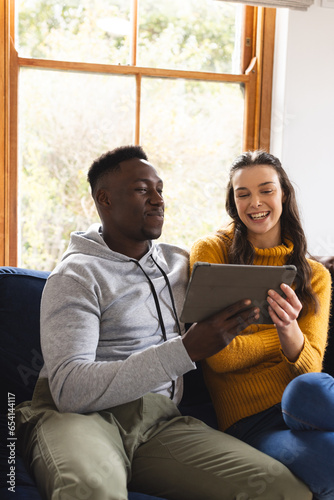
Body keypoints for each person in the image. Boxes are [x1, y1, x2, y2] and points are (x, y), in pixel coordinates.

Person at [15, 146, 311, 500]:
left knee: (282, 489)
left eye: (160, 189)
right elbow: (69, 391)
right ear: (104, 199)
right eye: (143, 190)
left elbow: (243, 249)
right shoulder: (76, 276)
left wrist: (297, 282)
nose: (158, 200)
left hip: (160, 424)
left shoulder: (179, 264)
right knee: (91, 488)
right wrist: (185, 350)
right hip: (83, 419)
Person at [190, 150, 334, 500]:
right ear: (233, 202)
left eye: (266, 190)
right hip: (251, 423)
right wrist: (285, 335)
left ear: (284, 193)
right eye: (243, 194)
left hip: (310, 405)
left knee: (308, 390)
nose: (255, 202)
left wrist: (288, 330)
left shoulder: (315, 276)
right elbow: (220, 357)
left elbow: (310, 368)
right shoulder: (213, 254)